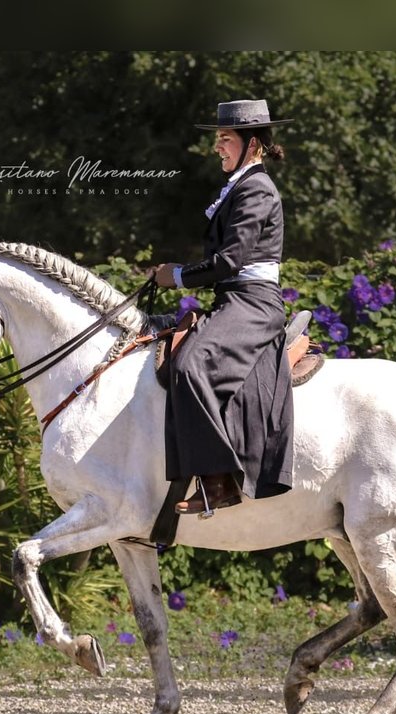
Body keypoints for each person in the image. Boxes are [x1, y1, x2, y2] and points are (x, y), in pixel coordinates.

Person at [151, 99, 295, 516]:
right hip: (233, 299)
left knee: (189, 366)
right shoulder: (238, 187)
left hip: (253, 304)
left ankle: (219, 480)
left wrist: (176, 276)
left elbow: (228, 262)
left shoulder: (257, 189)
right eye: (218, 139)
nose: (218, 147)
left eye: (225, 139)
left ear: (252, 145)